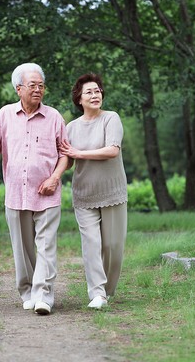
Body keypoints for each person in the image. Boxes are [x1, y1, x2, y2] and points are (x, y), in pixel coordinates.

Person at [0, 63, 68, 315]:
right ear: (18, 88)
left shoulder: (54, 117)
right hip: (16, 195)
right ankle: (27, 290)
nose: (38, 90)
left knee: (46, 245)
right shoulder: (5, 115)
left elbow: (65, 154)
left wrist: (54, 178)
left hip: (48, 194)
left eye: (41, 86)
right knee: (22, 249)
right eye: (32, 85)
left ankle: (43, 295)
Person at [60, 73, 128, 309]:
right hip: (84, 194)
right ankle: (97, 293)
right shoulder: (70, 127)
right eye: (89, 91)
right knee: (91, 245)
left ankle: (107, 291)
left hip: (112, 193)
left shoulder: (111, 119)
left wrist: (79, 154)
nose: (95, 94)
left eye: (98, 90)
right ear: (79, 98)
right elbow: (67, 161)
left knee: (112, 247)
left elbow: (112, 150)